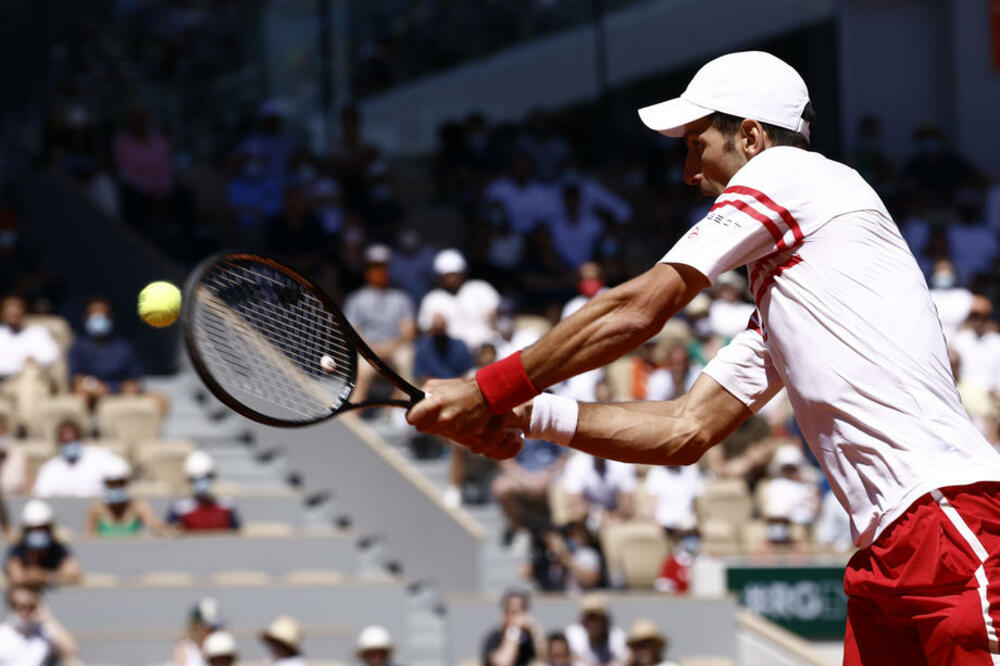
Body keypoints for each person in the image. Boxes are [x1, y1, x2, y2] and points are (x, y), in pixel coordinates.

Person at [408, 51, 1000, 663]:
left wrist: (486, 391)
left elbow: (640, 308)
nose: (690, 172)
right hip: (889, 553)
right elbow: (685, 428)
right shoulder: (795, 287)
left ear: (749, 137)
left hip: (951, 518)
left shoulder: (791, 173)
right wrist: (526, 416)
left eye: (697, 145)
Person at [344, 245, 417, 403]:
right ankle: (354, 412)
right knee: (363, 370)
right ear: (367, 271)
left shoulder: (401, 298)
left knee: (406, 357)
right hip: (367, 351)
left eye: (383, 267)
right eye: (375, 267)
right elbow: (353, 333)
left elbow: (409, 331)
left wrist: (390, 347)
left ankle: (406, 406)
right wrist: (372, 350)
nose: (379, 272)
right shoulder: (356, 299)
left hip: (395, 349)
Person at [418, 249, 501, 354]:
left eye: (455, 274)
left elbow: (498, 318)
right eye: (447, 275)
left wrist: (495, 319)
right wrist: (436, 328)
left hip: (487, 349)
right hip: (452, 353)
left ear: (463, 272)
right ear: (439, 277)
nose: (452, 279)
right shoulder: (432, 299)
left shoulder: (481, 288)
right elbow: (424, 331)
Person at [69, 295, 143, 407]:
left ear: (110, 318)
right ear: (85, 318)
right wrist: (94, 387)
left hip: (118, 394)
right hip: (91, 395)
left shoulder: (124, 347)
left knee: (158, 400)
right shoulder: (78, 346)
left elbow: (133, 382)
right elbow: (76, 380)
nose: (98, 319)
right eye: (94, 315)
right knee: (81, 394)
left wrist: (111, 389)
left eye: (102, 315)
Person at [33, 419, 126, 498]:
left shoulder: (100, 457)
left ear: (80, 439)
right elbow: (41, 495)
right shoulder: (50, 469)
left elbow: (121, 471)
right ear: (59, 443)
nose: (70, 445)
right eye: (66, 442)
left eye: (73, 440)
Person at [4, 500, 82, 587]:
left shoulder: (56, 547)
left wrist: (44, 576)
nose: (38, 532)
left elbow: (73, 573)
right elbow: (16, 576)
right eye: (33, 529)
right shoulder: (19, 547)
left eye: (42, 528)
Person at [85, 457, 169, 537]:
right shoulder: (96, 509)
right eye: (111, 484)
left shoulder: (138, 506)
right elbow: (89, 537)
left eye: (120, 483)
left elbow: (158, 527)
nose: (115, 487)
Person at [0, 584, 77, 665]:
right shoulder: (2, 633)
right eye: (18, 606)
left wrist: (48, 618)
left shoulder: (45, 631)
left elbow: (71, 651)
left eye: (30, 606)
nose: (24, 612)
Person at [166, 451, 241, 531]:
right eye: (196, 479)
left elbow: (235, 532)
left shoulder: (226, 506)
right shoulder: (180, 509)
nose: (202, 483)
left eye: (206, 478)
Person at [0, 293, 59, 381]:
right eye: (10, 308)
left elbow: (51, 355)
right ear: (2, 312)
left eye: (17, 308)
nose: (14, 312)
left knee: (30, 374)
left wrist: (34, 360)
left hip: (35, 379)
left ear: (24, 311)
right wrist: (23, 363)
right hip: (6, 382)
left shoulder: (37, 332)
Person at [481, 588, 545, 666]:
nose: (519, 617)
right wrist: (514, 631)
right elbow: (503, 662)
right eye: (514, 612)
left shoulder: (529, 640)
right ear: (505, 614)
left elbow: (544, 661)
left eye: (521, 612)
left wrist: (535, 630)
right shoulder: (494, 638)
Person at [564, 594, 627, 666]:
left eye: (598, 618)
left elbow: (628, 658)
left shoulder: (616, 636)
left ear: (605, 620)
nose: (594, 623)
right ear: (583, 621)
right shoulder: (573, 635)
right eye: (590, 618)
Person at [172, 597, 223, 666]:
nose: (213, 632)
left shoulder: (220, 650)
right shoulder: (185, 649)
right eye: (210, 628)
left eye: (215, 629)